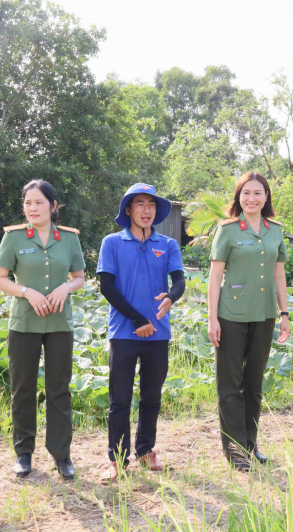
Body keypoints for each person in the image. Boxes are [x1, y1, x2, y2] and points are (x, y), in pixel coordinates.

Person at [0, 180, 85, 481]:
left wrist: (66, 288)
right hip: (24, 324)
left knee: (59, 389)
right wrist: (26, 291)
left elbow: (79, 277)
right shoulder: (14, 237)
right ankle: (23, 452)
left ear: (53, 206)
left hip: (59, 324)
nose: (32, 208)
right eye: (27, 202)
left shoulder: (68, 238)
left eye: (39, 202)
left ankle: (62, 454)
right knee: (23, 389)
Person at [96, 183, 185, 484]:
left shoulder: (167, 244)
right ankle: (117, 460)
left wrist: (171, 297)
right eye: (140, 204)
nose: (146, 210)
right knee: (119, 400)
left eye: (151, 204)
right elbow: (107, 287)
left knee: (152, 397)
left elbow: (179, 281)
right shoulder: (112, 242)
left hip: (158, 334)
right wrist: (137, 319)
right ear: (128, 210)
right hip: (123, 333)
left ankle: (146, 451)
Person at [207, 171, 290, 472]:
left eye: (257, 193)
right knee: (230, 385)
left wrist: (284, 314)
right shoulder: (227, 230)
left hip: (264, 314)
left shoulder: (275, 231)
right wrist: (212, 319)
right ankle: (234, 449)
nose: (251, 198)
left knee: (254, 384)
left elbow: (279, 275)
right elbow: (215, 276)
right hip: (231, 315)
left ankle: (250, 444)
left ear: (266, 197)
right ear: (238, 197)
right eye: (246, 193)